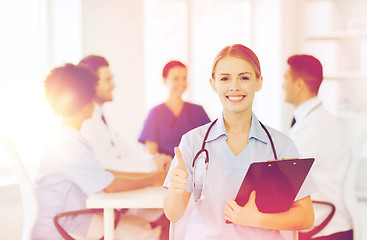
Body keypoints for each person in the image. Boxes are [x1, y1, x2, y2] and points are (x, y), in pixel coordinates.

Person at [163, 44, 316, 240]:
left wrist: (257, 219)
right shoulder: (193, 142)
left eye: (244, 78)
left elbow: (306, 217)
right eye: (225, 78)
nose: (234, 86)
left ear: (258, 82)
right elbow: (173, 214)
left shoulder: (281, 146)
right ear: (213, 83)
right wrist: (176, 190)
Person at [32, 64, 164, 240]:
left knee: (154, 221)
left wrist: (154, 177)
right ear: (87, 101)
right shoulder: (66, 142)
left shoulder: (66, 136)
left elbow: (104, 174)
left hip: (73, 217)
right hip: (65, 224)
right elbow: (110, 185)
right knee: (158, 231)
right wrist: (154, 179)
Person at [79, 55, 170, 240]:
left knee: (169, 217)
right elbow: (107, 164)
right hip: (101, 208)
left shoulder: (102, 117)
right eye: (108, 80)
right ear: (92, 84)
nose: (114, 85)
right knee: (166, 223)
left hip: (115, 201)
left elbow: (125, 153)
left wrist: (154, 161)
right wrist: (154, 170)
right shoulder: (86, 123)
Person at [283, 54, 353, 240]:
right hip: (328, 227)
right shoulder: (315, 121)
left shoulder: (314, 127)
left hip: (326, 231)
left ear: (299, 84)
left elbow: (285, 176)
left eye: (286, 78)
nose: (283, 85)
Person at [138, 60, 211, 157]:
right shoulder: (155, 114)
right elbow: (151, 155)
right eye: (176, 79)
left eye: (184, 78)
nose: (181, 83)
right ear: (165, 80)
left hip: (195, 169)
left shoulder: (198, 111)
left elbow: (211, 144)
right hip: (166, 170)